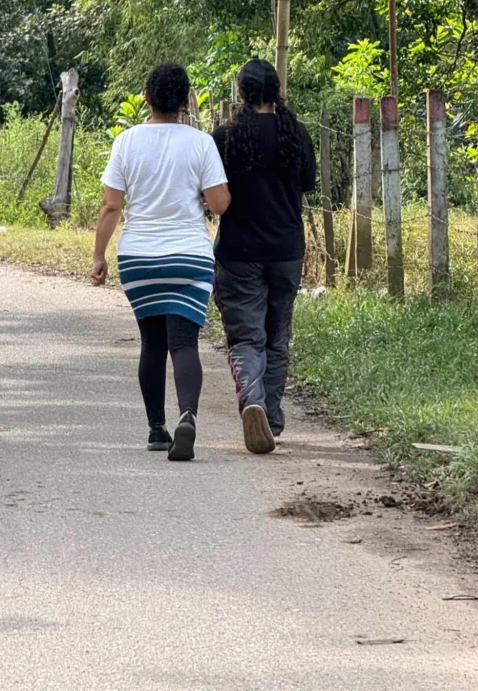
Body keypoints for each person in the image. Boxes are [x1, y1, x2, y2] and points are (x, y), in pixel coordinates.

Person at [92, 63, 230, 461]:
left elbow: (110, 206)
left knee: (151, 343)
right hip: (189, 256)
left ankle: (157, 429)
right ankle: (188, 414)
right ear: (187, 100)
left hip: (139, 258)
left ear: (146, 97)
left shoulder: (126, 141)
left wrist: (99, 256)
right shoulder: (201, 143)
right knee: (184, 342)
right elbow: (220, 204)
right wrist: (202, 195)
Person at [212, 58, 317, 455]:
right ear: (277, 92)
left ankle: (252, 401)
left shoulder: (225, 137)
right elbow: (307, 184)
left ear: (241, 94)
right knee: (277, 336)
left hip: (238, 251)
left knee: (246, 337)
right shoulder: (297, 134)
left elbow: (213, 195)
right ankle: (270, 416)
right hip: (287, 250)